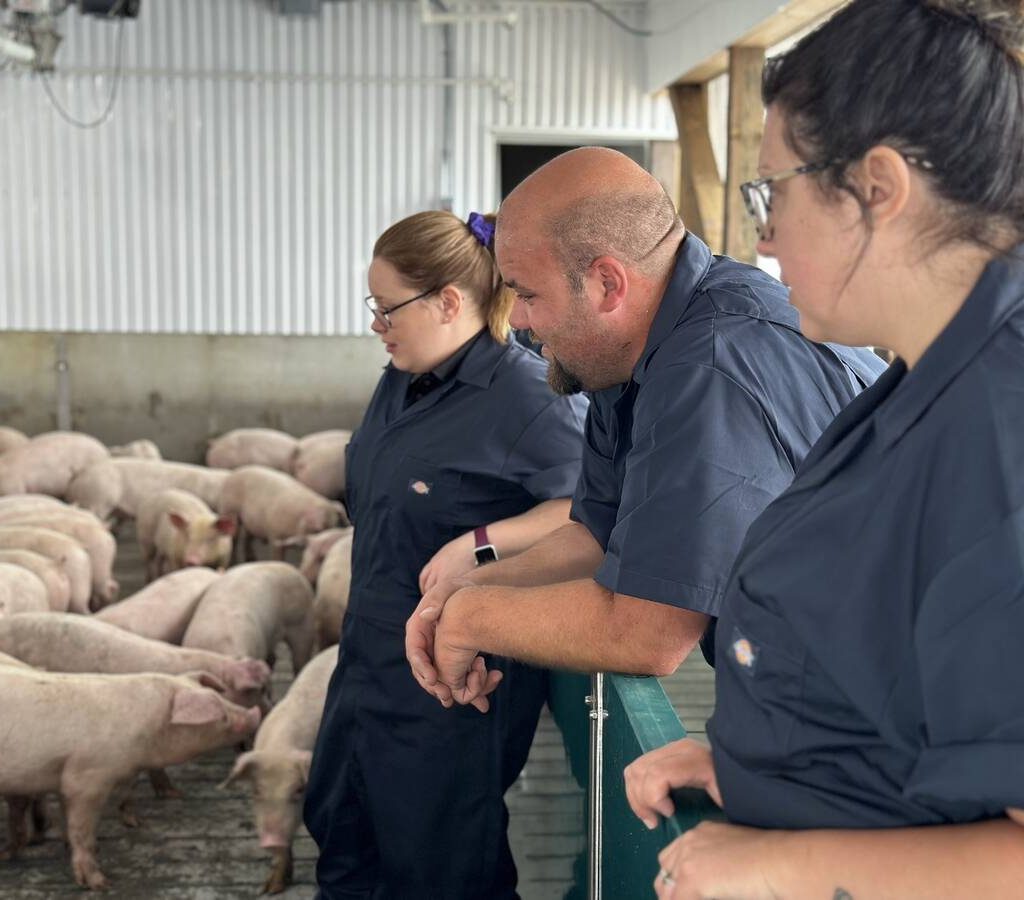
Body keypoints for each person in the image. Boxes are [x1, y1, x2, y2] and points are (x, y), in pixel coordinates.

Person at [623, 1, 1024, 896]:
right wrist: (774, 769)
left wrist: (782, 858)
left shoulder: (1003, 434)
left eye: (774, 190)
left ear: (877, 187)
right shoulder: (926, 378)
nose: (761, 236)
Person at [405, 147, 885, 710]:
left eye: (528, 294)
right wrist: (465, 590)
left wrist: (469, 621)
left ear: (608, 285)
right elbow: (596, 536)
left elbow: (648, 631)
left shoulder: (708, 368)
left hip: (904, 708)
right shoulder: (629, 350)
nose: (520, 321)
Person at [303, 210, 588, 900]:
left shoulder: (527, 395)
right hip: (366, 666)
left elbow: (587, 511)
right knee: (343, 847)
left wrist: (482, 542)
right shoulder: (400, 381)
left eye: (386, 307)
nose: (376, 324)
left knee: (443, 873)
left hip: (453, 688)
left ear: (449, 302)